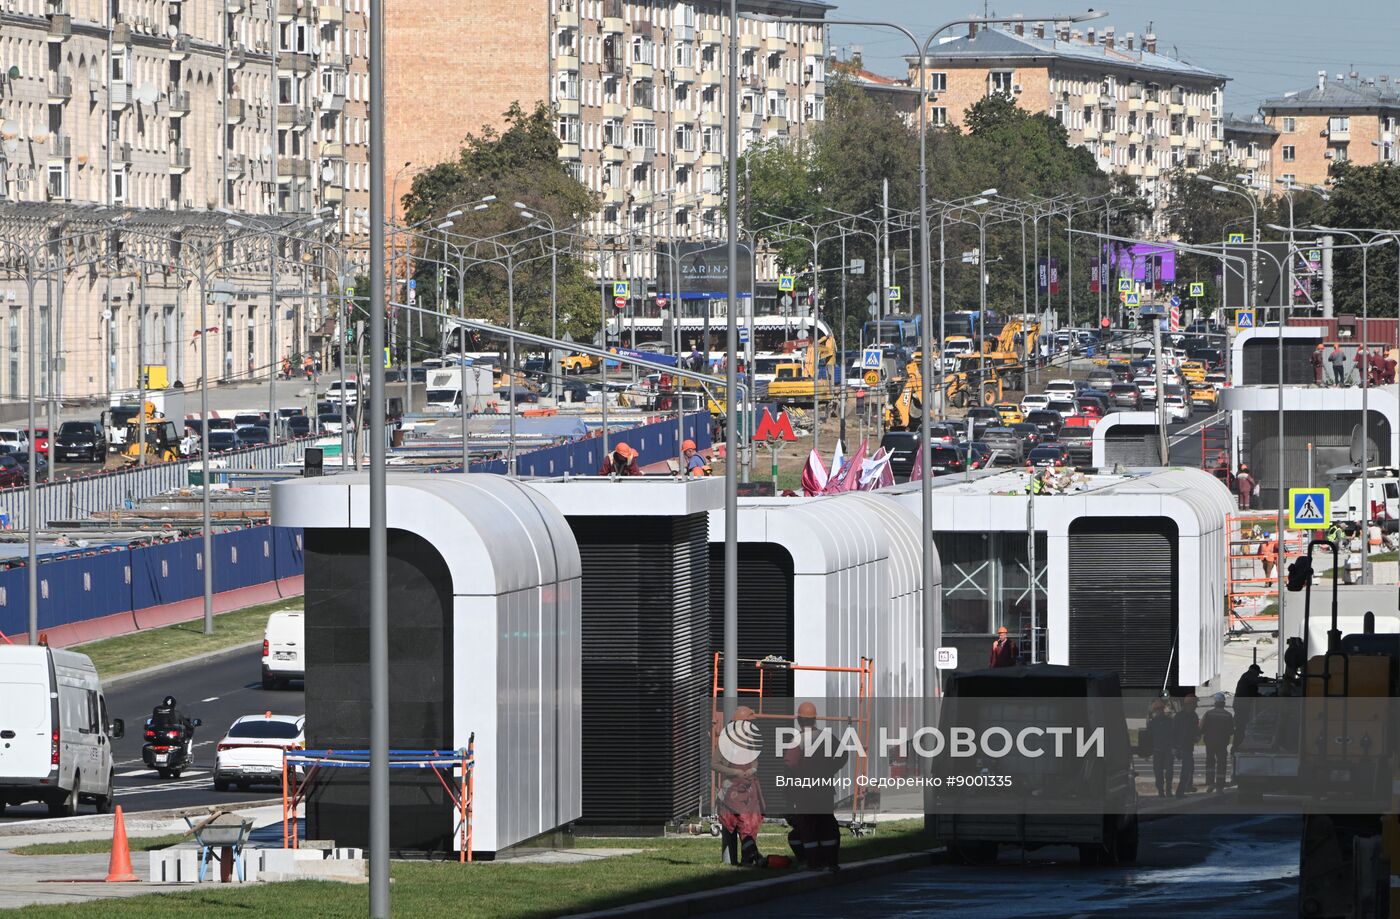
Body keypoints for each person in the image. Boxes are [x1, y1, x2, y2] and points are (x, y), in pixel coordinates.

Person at [783, 701, 848, 872]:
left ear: (798, 719)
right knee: (827, 823)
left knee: (807, 825)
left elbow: (790, 765)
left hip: (805, 791)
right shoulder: (826, 737)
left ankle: (812, 862)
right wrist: (830, 770)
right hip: (824, 789)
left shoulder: (797, 740)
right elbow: (843, 754)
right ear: (815, 719)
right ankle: (831, 862)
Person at [713, 706, 766, 867]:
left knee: (753, 822)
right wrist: (734, 771)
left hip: (750, 788)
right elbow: (714, 764)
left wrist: (753, 768)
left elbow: (755, 760)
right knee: (744, 823)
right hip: (733, 790)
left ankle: (747, 858)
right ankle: (754, 856)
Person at [1200, 692, 1235, 793]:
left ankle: (1210, 783)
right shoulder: (1228, 715)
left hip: (1210, 742)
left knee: (1210, 762)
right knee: (1221, 764)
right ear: (1223, 703)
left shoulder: (1208, 714)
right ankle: (1220, 786)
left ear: (1215, 703)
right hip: (1222, 743)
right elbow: (1231, 731)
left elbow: (1201, 728)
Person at [1144, 700, 1175, 797]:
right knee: (1158, 772)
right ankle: (1161, 791)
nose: (1159, 711)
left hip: (1167, 750)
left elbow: (1174, 735)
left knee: (1168, 771)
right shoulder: (1152, 723)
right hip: (1158, 750)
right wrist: (1147, 752)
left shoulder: (1169, 721)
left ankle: (1168, 789)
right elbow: (1149, 739)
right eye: (1157, 710)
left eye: (1160, 709)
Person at [1173, 694, 1200, 796]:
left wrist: (1197, 736)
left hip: (1189, 746)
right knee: (1186, 769)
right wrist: (1174, 747)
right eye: (1195, 704)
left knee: (1189, 768)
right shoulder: (1179, 717)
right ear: (1189, 704)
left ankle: (1186, 787)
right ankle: (1180, 792)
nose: (1196, 706)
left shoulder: (1194, 716)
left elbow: (1196, 730)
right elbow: (1173, 732)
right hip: (1180, 747)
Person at [1233, 664, 1262, 746]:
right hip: (1241, 706)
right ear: (1253, 671)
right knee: (1241, 727)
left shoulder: (1247, 677)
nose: (1258, 675)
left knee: (1242, 727)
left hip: (1242, 705)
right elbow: (1256, 681)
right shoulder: (1247, 676)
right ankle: (1237, 746)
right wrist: (1266, 679)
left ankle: (1238, 745)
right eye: (1257, 673)